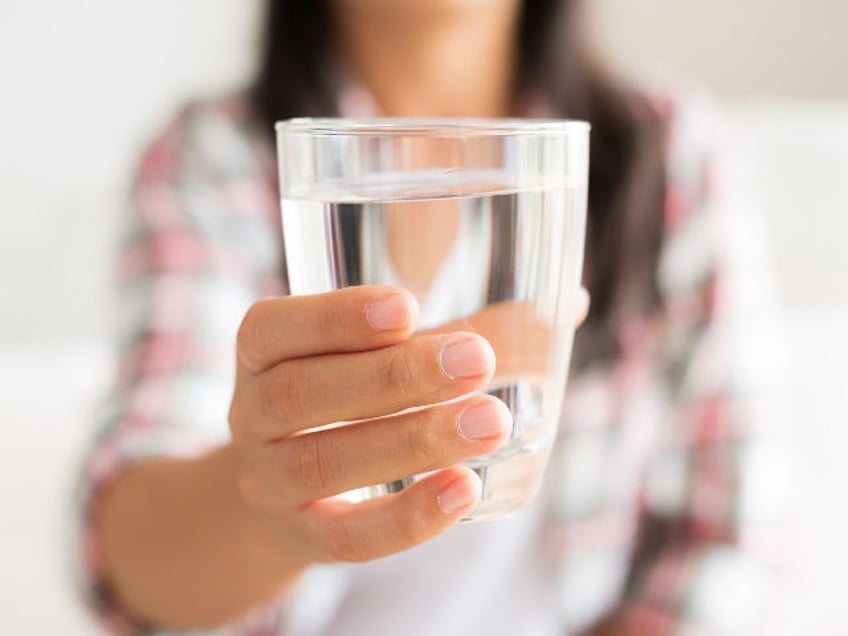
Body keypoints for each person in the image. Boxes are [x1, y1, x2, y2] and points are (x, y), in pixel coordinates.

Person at [79, 0, 786, 634]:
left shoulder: (664, 151)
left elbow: (728, 541)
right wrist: (267, 513)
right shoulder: (213, 159)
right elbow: (133, 544)